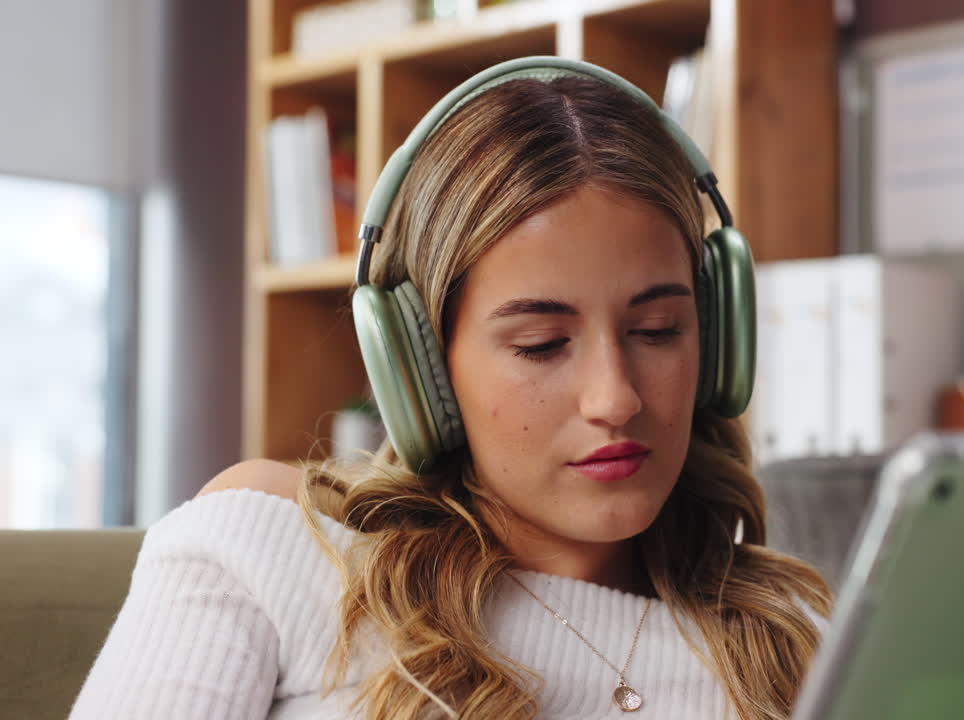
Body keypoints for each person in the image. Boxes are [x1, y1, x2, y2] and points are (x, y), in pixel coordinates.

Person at [70, 58, 832, 720]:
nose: (616, 398)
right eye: (541, 344)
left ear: (718, 338)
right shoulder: (274, 550)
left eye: (659, 330)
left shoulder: (793, 640)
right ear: (422, 369)